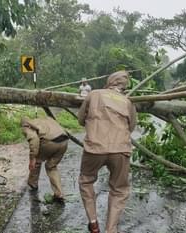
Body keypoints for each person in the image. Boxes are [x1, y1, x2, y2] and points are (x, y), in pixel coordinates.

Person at [77, 71, 137, 233]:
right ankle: (111, 229)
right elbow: (131, 127)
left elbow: (81, 119)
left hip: (94, 148)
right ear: (124, 86)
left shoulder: (94, 94)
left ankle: (93, 222)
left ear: (109, 82)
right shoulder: (127, 102)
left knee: (86, 180)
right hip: (120, 149)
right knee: (119, 190)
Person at [21, 116, 68, 202]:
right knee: (52, 167)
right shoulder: (45, 120)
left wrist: (32, 158)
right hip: (64, 141)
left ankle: (33, 184)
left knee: (37, 161)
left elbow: (34, 140)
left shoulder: (27, 125)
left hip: (50, 142)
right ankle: (59, 193)